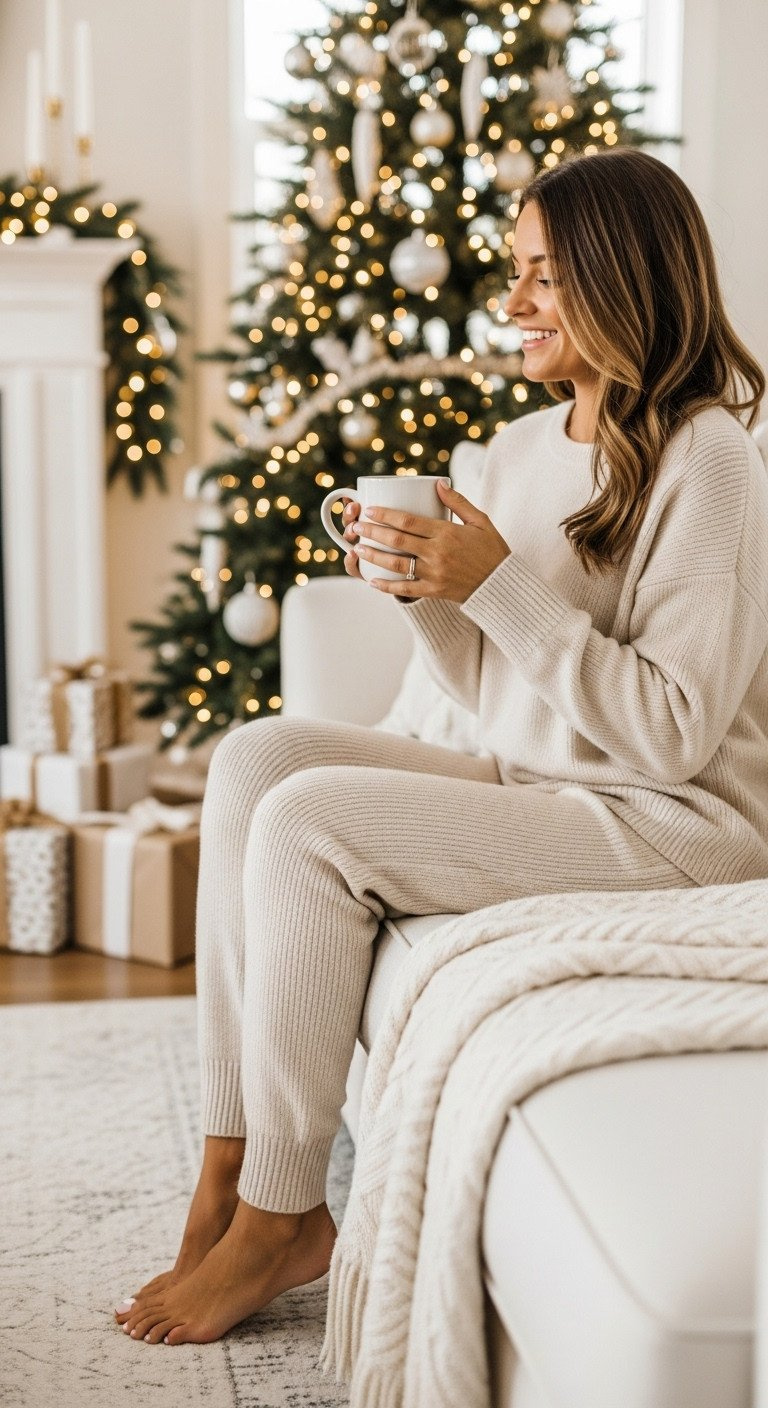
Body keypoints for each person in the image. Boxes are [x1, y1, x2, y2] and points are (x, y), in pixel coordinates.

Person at [115, 147, 768, 1347]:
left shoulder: (711, 458)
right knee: (253, 761)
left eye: (542, 276)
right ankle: (229, 1152)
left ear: (623, 279)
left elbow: (674, 733)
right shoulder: (518, 450)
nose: (509, 301)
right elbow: (481, 685)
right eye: (512, 272)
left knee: (312, 828)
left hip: (671, 822)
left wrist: (502, 585)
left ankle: (283, 1212)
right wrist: (424, 591)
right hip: (543, 778)